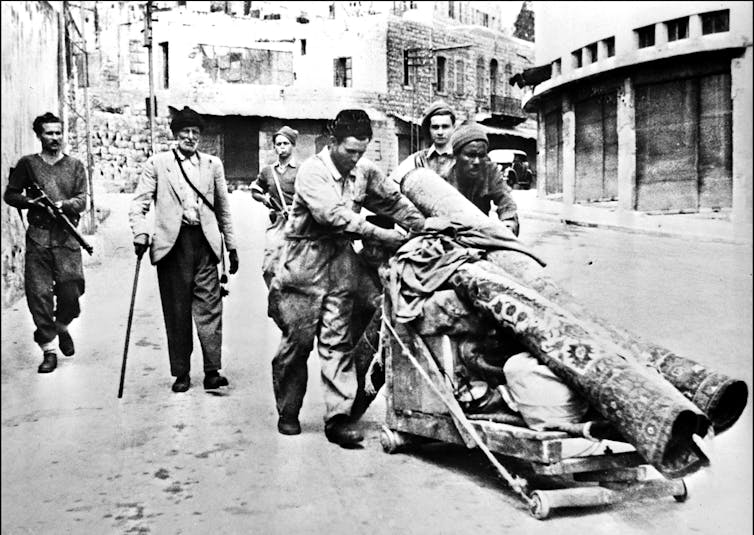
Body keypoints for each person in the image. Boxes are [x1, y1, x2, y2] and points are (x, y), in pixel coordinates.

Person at [268, 109, 426, 446]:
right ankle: (288, 410)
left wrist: (422, 226)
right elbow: (333, 216)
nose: (355, 159)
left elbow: (393, 201)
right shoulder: (312, 172)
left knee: (336, 341)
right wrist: (384, 237)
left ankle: (338, 419)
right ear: (333, 142)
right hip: (303, 264)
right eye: (350, 151)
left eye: (361, 152)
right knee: (296, 345)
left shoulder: (363, 171)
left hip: (340, 262)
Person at [129, 106, 239, 393]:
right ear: (175, 135)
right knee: (177, 312)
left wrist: (232, 245)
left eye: (195, 132)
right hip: (172, 247)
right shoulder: (157, 164)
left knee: (210, 308)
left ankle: (213, 370)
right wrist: (141, 233)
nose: (190, 137)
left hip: (204, 244)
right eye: (185, 132)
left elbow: (223, 209)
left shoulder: (213, 165)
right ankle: (181, 372)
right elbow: (138, 205)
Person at [3, 112, 87, 373]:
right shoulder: (28, 164)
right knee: (38, 294)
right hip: (39, 236)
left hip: (67, 237)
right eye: (49, 133)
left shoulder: (75, 166)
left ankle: (61, 326)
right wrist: (31, 203)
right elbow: (10, 194)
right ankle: (48, 348)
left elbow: (83, 199)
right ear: (39, 135)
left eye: (58, 133)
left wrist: (63, 205)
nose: (55, 138)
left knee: (71, 293)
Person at [445, 121, 520, 236]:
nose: (476, 161)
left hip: (480, 234)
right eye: (470, 155)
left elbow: (506, 202)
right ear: (456, 155)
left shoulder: (490, 171)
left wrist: (508, 226)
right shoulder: (443, 175)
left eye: (481, 155)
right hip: (450, 234)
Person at [251, 126, 299, 287]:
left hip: (299, 223)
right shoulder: (268, 171)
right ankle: (275, 300)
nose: (282, 147)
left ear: (292, 145)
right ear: (274, 147)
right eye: (278, 144)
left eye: (286, 143)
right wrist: (265, 200)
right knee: (269, 266)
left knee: (297, 267)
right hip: (277, 222)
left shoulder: (302, 170)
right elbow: (255, 190)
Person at [389, 100, 456, 183]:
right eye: (435, 127)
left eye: (445, 127)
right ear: (429, 129)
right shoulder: (417, 160)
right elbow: (391, 184)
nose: (440, 132)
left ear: (453, 127)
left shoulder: (461, 158)